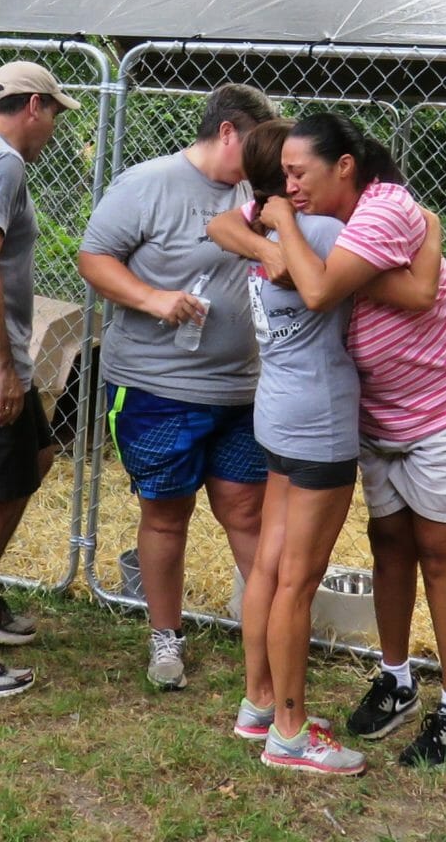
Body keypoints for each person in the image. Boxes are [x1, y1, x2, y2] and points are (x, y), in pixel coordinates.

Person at [210, 111, 446, 770]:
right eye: (282, 176)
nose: (290, 186)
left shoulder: (357, 219)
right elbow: (384, 283)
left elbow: (394, 290)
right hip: (366, 411)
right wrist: (279, 241)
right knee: (382, 547)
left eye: (300, 173)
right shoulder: (310, 224)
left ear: (341, 166)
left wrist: (280, 235)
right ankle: (394, 678)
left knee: (435, 551)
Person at [78, 83, 275, 691]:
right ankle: (167, 639)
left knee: (247, 512)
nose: (268, 159)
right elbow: (94, 257)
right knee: (165, 515)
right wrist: (153, 298)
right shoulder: (149, 183)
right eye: (257, 145)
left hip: (241, 389)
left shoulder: (258, 192)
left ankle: (269, 641)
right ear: (226, 133)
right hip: (158, 385)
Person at [0, 60, 81, 697]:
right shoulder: (2, 162)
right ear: (33, 107)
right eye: (54, 117)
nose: (53, 132)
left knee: (39, 456)